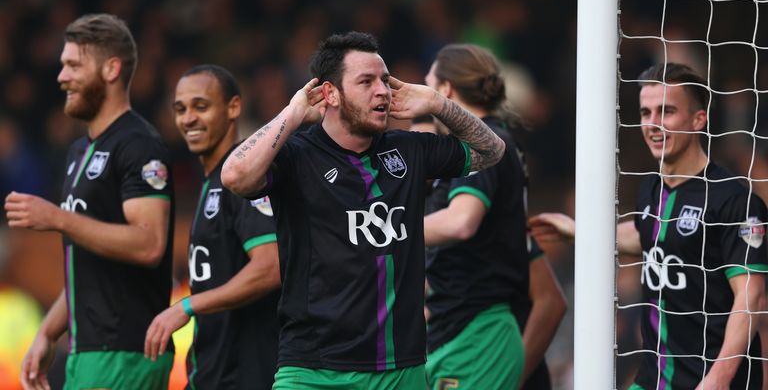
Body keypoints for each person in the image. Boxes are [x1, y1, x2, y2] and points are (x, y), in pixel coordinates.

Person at [220, 31, 505, 389]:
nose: (383, 91)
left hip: (400, 371)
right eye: (366, 82)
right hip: (314, 370)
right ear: (331, 94)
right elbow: (235, 176)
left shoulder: (409, 149)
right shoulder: (296, 156)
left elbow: (492, 151)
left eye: (385, 80)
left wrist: (437, 103)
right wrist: (291, 114)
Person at [531, 62, 768, 389]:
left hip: (712, 380)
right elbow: (645, 233)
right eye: (646, 113)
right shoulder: (651, 189)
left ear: (699, 119)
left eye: (666, 111)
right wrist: (578, 231)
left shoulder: (734, 200)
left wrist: (719, 378)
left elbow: (750, 298)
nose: (653, 124)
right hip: (656, 377)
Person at [4, 13, 175, 389]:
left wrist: (58, 218)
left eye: (73, 65)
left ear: (111, 69)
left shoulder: (139, 146)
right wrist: (47, 333)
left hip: (126, 352)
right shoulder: (79, 152)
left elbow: (150, 243)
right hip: (88, 352)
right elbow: (90, 266)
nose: (61, 77)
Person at [418, 44, 566, 389]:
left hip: (480, 340)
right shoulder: (492, 147)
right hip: (466, 336)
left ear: (445, 91)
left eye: (426, 87)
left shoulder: (483, 144)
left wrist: (389, 232)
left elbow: (462, 221)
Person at [143, 65, 281, 389]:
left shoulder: (243, 178)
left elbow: (271, 266)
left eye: (201, 106)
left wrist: (187, 306)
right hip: (212, 372)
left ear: (233, 107)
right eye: (180, 109)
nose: (188, 118)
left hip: (245, 376)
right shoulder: (212, 182)